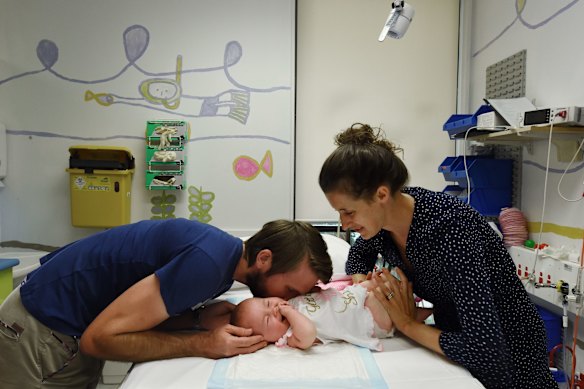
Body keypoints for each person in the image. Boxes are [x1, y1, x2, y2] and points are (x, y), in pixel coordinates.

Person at [318, 123, 558, 389]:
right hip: (452, 337)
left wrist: (407, 324)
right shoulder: (381, 224)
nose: (344, 223)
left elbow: (486, 350)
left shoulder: (451, 228)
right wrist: (363, 293)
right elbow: (358, 257)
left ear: (381, 194)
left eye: (348, 212)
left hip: (508, 348)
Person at [0, 218, 332, 388]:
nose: (287, 302)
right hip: (39, 327)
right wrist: (203, 343)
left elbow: (139, 316)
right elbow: (99, 340)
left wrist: (197, 321)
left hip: (63, 324)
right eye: (289, 290)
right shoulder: (208, 264)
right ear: (264, 258)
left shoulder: (222, 264)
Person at [230, 278, 394, 351]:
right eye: (267, 320)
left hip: (354, 296)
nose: (273, 309)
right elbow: (309, 333)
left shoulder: (291, 299)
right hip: (364, 319)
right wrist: (288, 312)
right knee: (381, 296)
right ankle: (413, 312)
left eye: (267, 303)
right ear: (265, 340)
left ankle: (413, 291)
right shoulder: (290, 337)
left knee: (380, 283)